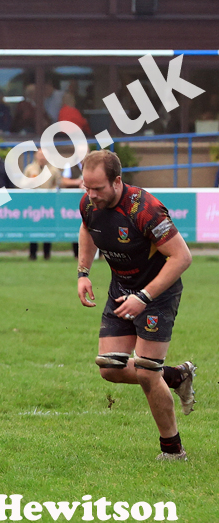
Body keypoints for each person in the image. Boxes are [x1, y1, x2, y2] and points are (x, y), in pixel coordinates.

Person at [77, 149, 196, 461]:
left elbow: (182, 257)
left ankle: (173, 451)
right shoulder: (89, 203)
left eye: (98, 188)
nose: (91, 195)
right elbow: (87, 228)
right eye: (87, 187)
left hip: (157, 294)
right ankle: (176, 377)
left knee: (145, 372)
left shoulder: (145, 210)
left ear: (117, 182)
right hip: (121, 289)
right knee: (109, 367)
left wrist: (144, 297)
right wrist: (83, 272)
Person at [23, 148, 62, 260]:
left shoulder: (53, 170)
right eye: (40, 155)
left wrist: (52, 191)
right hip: (33, 203)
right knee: (33, 227)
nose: (42, 157)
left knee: (47, 228)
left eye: (44, 155)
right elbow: (23, 184)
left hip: (48, 203)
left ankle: (47, 253)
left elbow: (58, 184)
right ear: (36, 156)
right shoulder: (30, 169)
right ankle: (32, 253)